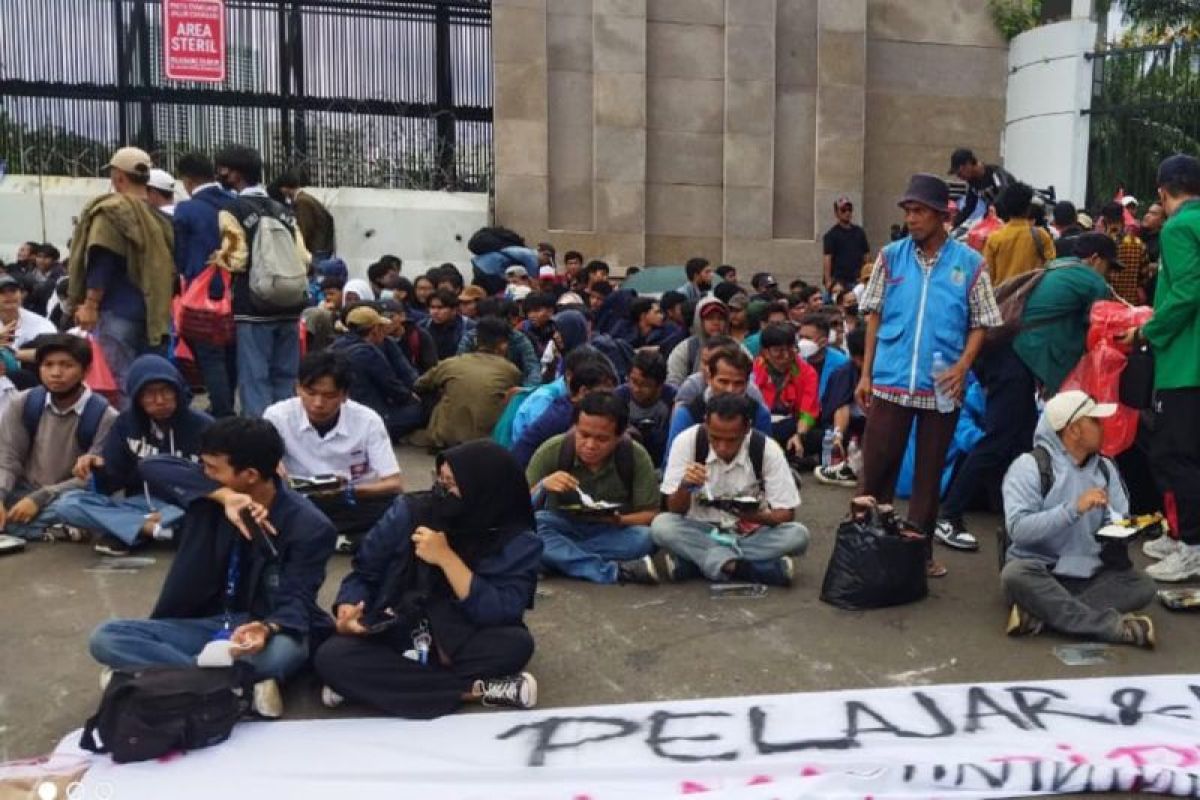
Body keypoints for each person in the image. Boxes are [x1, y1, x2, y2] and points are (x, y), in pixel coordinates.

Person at [88, 417, 337, 717]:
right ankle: (231, 686)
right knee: (107, 637)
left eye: (212, 468)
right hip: (209, 622)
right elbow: (151, 467)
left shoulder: (309, 526)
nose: (203, 473)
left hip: (261, 628)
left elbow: (297, 598)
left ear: (249, 475)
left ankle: (157, 677)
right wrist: (226, 496)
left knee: (285, 654)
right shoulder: (209, 496)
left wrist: (267, 628)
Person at [313, 440, 542, 717]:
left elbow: (499, 611)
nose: (442, 493)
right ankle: (475, 691)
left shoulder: (518, 540)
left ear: (484, 491)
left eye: (453, 485)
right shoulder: (410, 512)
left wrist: (447, 559)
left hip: (462, 633)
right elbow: (365, 572)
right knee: (331, 657)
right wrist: (348, 607)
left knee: (515, 645)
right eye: (440, 481)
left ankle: (368, 686)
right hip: (397, 622)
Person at [934, 233, 1119, 551]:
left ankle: (1018, 515)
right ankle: (948, 516)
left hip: (1006, 360)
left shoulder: (1057, 268)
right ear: (1096, 259)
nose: (1107, 274)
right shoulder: (1087, 278)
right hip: (1015, 364)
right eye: (1108, 267)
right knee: (997, 442)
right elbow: (1114, 315)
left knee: (1022, 443)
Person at [856, 173, 1001, 577]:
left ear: (942, 215)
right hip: (889, 378)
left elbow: (983, 321)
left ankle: (919, 552)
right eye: (908, 211)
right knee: (878, 463)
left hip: (942, 381)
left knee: (929, 470)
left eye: (919, 211)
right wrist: (865, 374)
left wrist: (963, 365)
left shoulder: (970, 263)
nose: (911, 219)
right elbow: (874, 316)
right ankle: (869, 543)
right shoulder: (890, 257)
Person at [1000, 391, 1156, 647]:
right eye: (1094, 421)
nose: (1102, 427)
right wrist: (1073, 509)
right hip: (1042, 571)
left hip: (1090, 573)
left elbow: (1121, 518)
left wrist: (1129, 528)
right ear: (1073, 430)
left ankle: (1042, 615)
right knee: (1015, 574)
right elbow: (1018, 530)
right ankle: (1112, 628)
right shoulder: (1028, 466)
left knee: (1143, 585)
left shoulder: (1106, 467)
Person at [1119, 154, 1200, 582]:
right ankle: (1180, 533)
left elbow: (1185, 293)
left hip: (1184, 363)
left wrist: (1146, 332)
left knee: (1175, 455)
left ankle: (1192, 545)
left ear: (1162, 191)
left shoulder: (1179, 227)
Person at [63, 355, 213, 556]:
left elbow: (218, 480)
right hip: (140, 505)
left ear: (178, 392)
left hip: (185, 507)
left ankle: (128, 530)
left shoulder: (204, 426)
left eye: (166, 392)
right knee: (69, 504)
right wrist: (97, 468)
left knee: (204, 516)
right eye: (149, 394)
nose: (159, 400)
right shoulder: (126, 424)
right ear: (137, 398)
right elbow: (112, 483)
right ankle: (152, 531)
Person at [653, 393, 808, 586]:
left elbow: (786, 513)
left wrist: (754, 517)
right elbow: (674, 510)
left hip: (748, 533)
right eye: (715, 438)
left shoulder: (766, 449)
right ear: (706, 424)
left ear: (747, 429)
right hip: (700, 528)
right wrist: (685, 485)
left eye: (732, 440)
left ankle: (697, 562)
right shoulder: (687, 442)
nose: (722, 447)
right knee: (661, 526)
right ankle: (740, 568)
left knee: (798, 535)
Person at [67, 147, 174, 408]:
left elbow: (103, 260)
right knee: (152, 380)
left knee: (124, 381)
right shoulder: (158, 216)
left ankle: (130, 438)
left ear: (118, 177)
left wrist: (90, 304)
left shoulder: (112, 211)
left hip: (117, 311)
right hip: (155, 314)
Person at [264, 351, 402, 552]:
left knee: (400, 508)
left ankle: (315, 538)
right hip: (301, 500)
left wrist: (347, 490)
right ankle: (346, 540)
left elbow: (394, 483)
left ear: (345, 394)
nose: (318, 403)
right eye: (310, 393)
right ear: (297, 388)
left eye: (329, 396)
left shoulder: (368, 420)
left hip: (351, 499)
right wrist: (271, 464)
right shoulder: (277, 416)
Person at [211, 145, 311, 418]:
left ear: (235, 174)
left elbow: (237, 259)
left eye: (223, 169)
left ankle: (259, 438)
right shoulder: (284, 209)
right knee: (286, 376)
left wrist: (217, 258)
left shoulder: (232, 210)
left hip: (253, 307)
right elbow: (303, 257)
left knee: (255, 378)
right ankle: (287, 433)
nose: (220, 174)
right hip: (290, 304)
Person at [527, 392, 660, 584]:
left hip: (610, 531)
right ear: (574, 427)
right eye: (584, 435)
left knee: (646, 539)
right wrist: (543, 485)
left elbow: (650, 514)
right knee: (535, 527)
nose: (590, 445)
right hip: (561, 526)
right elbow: (519, 509)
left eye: (602, 439)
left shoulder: (634, 455)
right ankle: (610, 571)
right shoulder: (553, 449)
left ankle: (555, 559)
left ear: (619, 436)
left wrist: (619, 520)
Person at [0, 335, 118, 548]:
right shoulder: (23, 403)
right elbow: (8, 458)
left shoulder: (104, 415)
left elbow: (91, 478)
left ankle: (25, 528)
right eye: (48, 365)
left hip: (66, 495)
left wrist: (40, 498)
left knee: (74, 507)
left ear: (85, 370)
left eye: (67, 365)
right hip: (23, 489)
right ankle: (52, 530)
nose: (56, 373)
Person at [173, 152, 239, 417]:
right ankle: (227, 404)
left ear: (186, 180)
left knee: (210, 355)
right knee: (230, 353)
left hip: (203, 294)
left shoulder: (187, 209)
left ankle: (221, 411)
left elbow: (180, 256)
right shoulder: (235, 203)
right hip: (237, 290)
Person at [413, 317, 523, 450]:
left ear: (476, 340)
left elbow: (419, 384)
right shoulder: (511, 370)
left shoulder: (451, 363)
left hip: (446, 438)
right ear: (503, 345)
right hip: (486, 441)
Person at [329, 305, 424, 442]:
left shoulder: (334, 346)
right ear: (374, 330)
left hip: (340, 413)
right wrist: (411, 397)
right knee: (422, 409)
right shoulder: (368, 353)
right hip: (370, 415)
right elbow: (392, 387)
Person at [667, 345, 773, 455]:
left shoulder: (759, 414)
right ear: (709, 379)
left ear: (747, 384)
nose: (730, 389)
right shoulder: (687, 414)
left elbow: (766, 458)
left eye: (738, 383)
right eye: (723, 382)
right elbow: (671, 463)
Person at [512, 359, 616, 467]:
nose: (608, 400)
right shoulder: (566, 417)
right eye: (603, 394)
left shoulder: (565, 403)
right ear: (584, 391)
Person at [752, 323, 821, 463]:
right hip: (760, 426)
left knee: (819, 436)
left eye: (790, 349)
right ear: (765, 352)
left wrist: (799, 435)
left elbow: (808, 412)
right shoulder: (753, 370)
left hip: (793, 426)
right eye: (778, 350)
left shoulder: (806, 372)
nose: (786, 355)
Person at [813, 327, 867, 487]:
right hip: (849, 429)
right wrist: (838, 438)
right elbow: (841, 407)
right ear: (857, 358)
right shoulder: (844, 373)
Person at [456, 298, 542, 387]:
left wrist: (523, 392)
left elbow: (533, 369)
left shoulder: (518, 338)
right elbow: (459, 365)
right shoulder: (471, 336)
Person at [983, 182, 1056, 286]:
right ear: (1028, 208)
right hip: (1033, 297)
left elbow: (988, 276)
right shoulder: (1041, 235)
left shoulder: (994, 238)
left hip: (1003, 299)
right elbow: (1051, 268)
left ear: (1005, 208)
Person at [615, 349, 676, 468]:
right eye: (633, 381)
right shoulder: (619, 396)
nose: (637, 389)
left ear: (659, 386)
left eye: (645, 385)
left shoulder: (672, 399)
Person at [666, 297, 730, 387]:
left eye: (720, 319)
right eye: (710, 318)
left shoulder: (736, 349)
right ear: (699, 321)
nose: (716, 323)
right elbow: (674, 383)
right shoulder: (685, 349)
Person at [949, 147, 1016, 229]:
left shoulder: (994, 172)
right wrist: (953, 224)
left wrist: (993, 205)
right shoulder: (972, 183)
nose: (960, 177)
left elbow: (1004, 190)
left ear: (969, 163)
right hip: (996, 219)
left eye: (960, 173)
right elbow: (969, 207)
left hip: (1014, 218)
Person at [275, 172, 336, 261]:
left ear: (286, 188)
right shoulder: (305, 198)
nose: (280, 190)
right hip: (321, 248)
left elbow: (303, 229)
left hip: (316, 250)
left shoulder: (301, 202)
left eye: (281, 187)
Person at [1100, 201, 1149, 304]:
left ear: (1104, 221)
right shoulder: (1138, 244)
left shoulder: (1099, 245)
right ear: (1123, 220)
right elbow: (1145, 274)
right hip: (1130, 303)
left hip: (1106, 303)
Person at [796, 312, 850, 402]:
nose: (802, 342)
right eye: (801, 337)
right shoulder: (795, 361)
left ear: (824, 342)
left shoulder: (841, 364)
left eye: (808, 338)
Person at [823, 196, 871, 291]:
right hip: (839, 282)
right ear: (836, 213)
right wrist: (828, 281)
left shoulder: (859, 232)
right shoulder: (831, 235)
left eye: (849, 209)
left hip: (858, 280)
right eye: (843, 210)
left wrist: (868, 276)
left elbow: (866, 255)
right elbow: (827, 259)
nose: (847, 213)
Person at [420, 288, 475, 361]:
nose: (435, 312)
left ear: (454, 310)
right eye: (432, 307)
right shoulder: (423, 326)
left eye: (440, 308)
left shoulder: (469, 326)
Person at [520, 292, 557, 357]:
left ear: (550, 311)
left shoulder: (558, 329)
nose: (531, 315)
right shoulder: (522, 330)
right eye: (529, 311)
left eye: (536, 310)